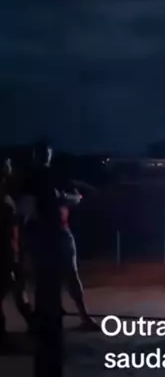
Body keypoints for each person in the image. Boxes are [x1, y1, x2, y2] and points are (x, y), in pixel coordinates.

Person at [21, 142, 98, 330]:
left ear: (50, 154)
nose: (43, 156)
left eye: (46, 152)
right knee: (41, 277)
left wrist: (62, 197)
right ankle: (44, 316)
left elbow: (77, 197)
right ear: (35, 156)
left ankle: (83, 315)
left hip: (60, 232)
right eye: (40, 153)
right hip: (40, 235)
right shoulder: (29, 180)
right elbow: (24, 208)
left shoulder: (58, 176)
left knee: (70, 273)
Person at [0, 156, 33, 344]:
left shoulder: (7, 197)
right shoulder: (6, 199)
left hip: (10, 252)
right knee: (19, 293)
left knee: (19, 293)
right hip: (8, 252)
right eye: (8, 165)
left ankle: (33, 327)